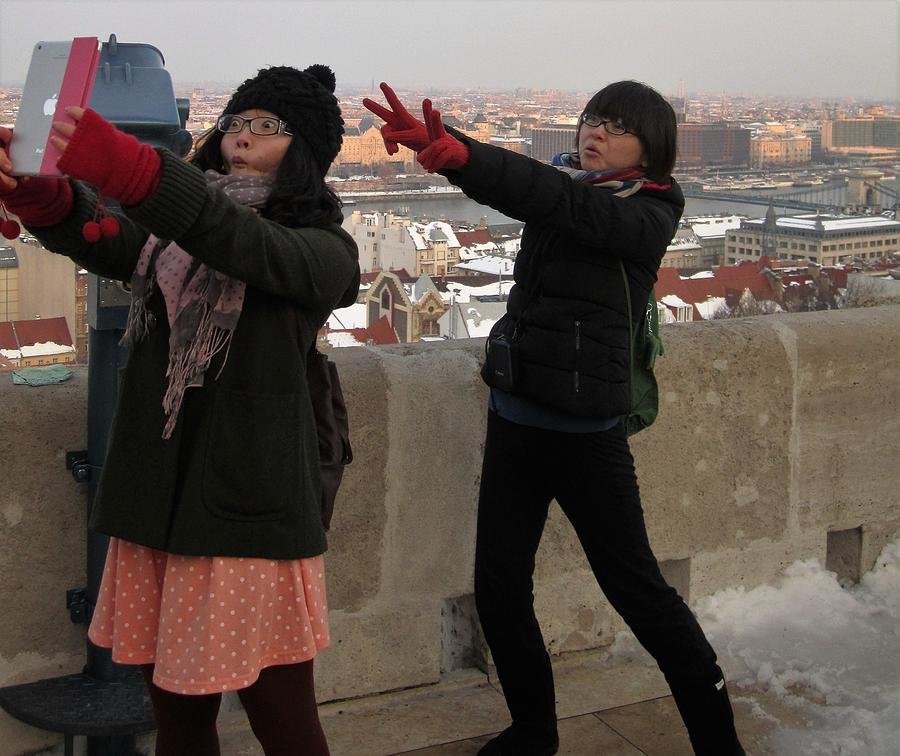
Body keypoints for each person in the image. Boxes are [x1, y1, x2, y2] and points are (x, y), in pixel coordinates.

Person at [364, 82, 745, 756]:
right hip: (516, 414)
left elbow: (553, 200)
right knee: (500, 587)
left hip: (585, 436)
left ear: (651, 149)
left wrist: (461, 154)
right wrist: (452, 154)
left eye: (617, 125)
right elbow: (539, 195)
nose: (595, 132)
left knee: (640, 595)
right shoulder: (571, 185)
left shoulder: (651, 210)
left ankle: (721, 745)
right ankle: (534, 730)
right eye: (592, 119)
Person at [0, 64, 359, 755]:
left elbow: (242, 244)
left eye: (268, 127)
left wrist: (137, 171)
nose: (243, 136)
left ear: (305, 151)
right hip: (160, 506)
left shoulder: (323, 251)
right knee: (177, 721)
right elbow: (115, 237)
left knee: (284, 720)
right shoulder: (175, 243)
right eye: (236, 121)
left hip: (245, 519)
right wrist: (49, 200)